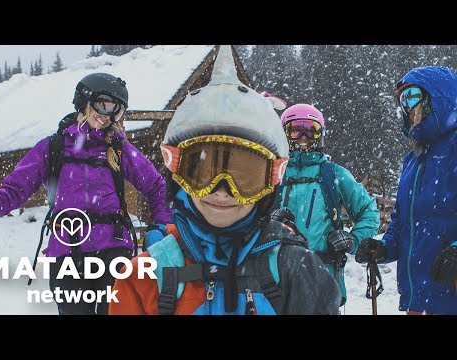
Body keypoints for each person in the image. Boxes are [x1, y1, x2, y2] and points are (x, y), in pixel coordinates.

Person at [109, 45, 341, 315]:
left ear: (270, 181)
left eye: (244, 176)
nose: (222, 192)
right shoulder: (146, 275)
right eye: (203, 173)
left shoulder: (293, 268)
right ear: (179, 174)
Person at [0, 72, 172, 315]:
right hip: (67, 254)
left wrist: (162, 225)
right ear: (84, 102)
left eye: (117, 111)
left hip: (113, 250)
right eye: (104, 105)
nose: (108, 116)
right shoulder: (54, 147)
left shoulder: (119, 150)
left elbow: (157, 186)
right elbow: (16, 190)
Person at [355, 66, 457, 315]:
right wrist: (384, 247)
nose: (407, 107)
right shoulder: (413, 160)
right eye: (402, 100)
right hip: (418, 297)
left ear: (438, 97)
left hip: (450, 294)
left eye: (412, 96)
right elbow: (403, 219)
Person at [278, 103, 380, 307]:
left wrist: (353, 239)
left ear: (320, 135)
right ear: (284, 134)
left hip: (323, 274)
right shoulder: (273, 174)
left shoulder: (333, 174)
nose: (303, 137)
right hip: (275, 273)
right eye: (296, 130)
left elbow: (369, 212)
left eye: (311, 130)